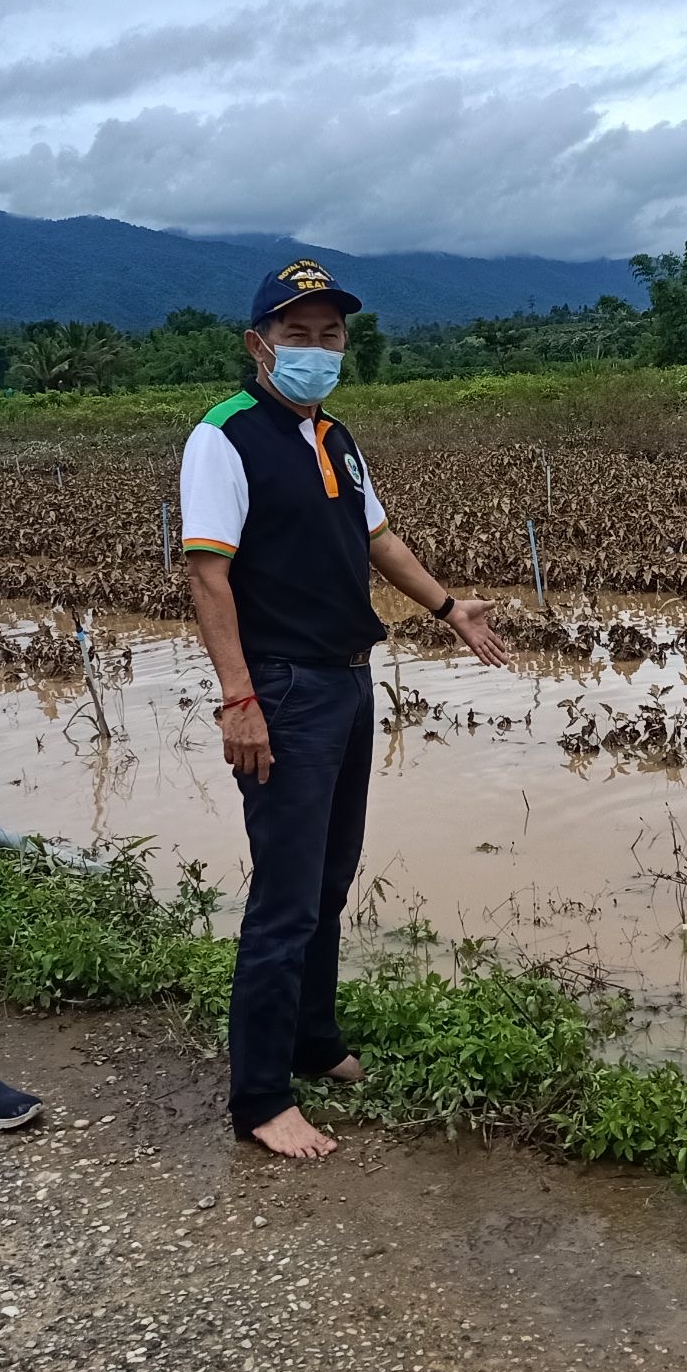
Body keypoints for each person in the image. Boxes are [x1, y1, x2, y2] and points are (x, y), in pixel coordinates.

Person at [179, 258, 508, 1160]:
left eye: (331, 335)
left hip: (349, 679)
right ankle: (260, 1097)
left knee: (329, 878)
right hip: (283, 688)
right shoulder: (225, 435)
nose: (317, 349)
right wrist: (239, 698)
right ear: (258, 345)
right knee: (285, 897)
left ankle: (313, 1039)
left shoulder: (335, 434)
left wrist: (449, 607)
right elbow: (208, 576)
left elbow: (377, 537)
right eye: (298, 334)